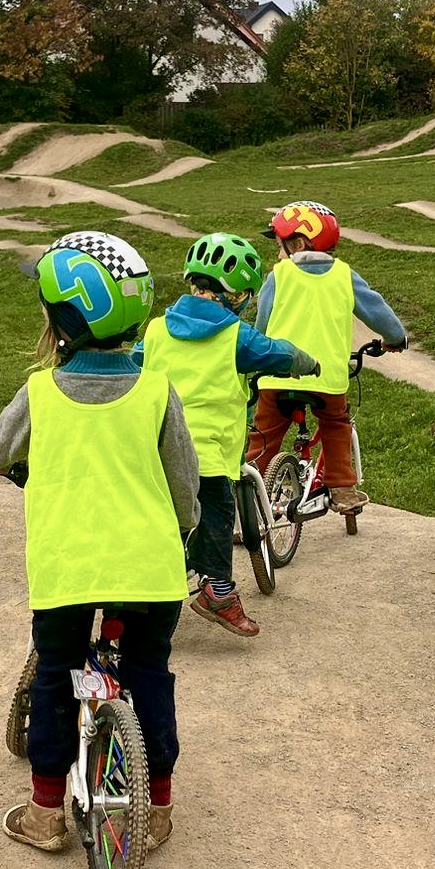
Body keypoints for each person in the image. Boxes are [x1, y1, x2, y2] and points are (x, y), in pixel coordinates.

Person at [0, 231, 198, 854]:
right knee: (149, 674)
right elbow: (184, 484)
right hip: (149, 571)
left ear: (64, 320)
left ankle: (47, 813)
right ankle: (158, 808)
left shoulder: (40, 392)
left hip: (67, 573)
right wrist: (183, 527)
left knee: (55, 677)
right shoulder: (157, 390)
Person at [138, 233, 320, 638]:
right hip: (208, 455)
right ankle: (217, 592)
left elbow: (133, 363)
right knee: (217, 517)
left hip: (155, 450)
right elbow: (280, 354)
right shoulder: (237, 336)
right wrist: (309, 363)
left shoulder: (154, 331)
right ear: (237, 294)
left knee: (160, 516)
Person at [247, 202, 407, 513]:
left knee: (264, 434)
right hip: (328, 379)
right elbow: (378, 312)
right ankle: (342, 489)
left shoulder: (279, 276)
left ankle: (250, 499)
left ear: (297, 244)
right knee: (335, 424)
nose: (278, 255)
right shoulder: (345, 275)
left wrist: (256, 357)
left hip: (277, 376)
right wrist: (395, 338)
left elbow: (261, 325)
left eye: (279, 247)